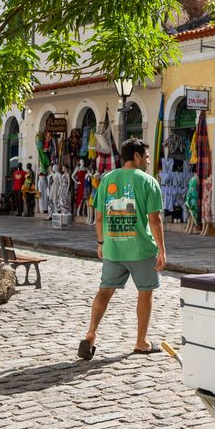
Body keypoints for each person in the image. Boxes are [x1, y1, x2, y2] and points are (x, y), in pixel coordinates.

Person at [78, 137, 165, 360]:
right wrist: (162, 251)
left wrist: (100, 243)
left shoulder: (107, 180)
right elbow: (154, 220)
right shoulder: (148, 181)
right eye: (146, 156)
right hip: (141, 250)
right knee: (145, 293)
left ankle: (90, 334)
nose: (147, 161)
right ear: (136, 156)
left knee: (105, 291)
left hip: (113, 247)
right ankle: (141, 341)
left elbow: (98, 217)